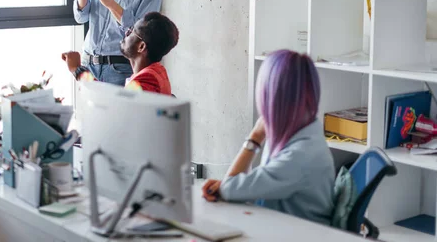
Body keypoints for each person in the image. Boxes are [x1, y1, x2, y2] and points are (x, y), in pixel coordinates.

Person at [202, 50, 335, 225]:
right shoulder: (304, 131)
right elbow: (235, 187)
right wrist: (233, 186)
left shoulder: (300, 155)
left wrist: (255, 136)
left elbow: (229, 188)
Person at [62, 12, 178, 95]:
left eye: (131, 31)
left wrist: (77, 70)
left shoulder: (147, 79)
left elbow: (112, 104)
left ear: (141, 46)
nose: (125, 33)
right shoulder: (157, 71)